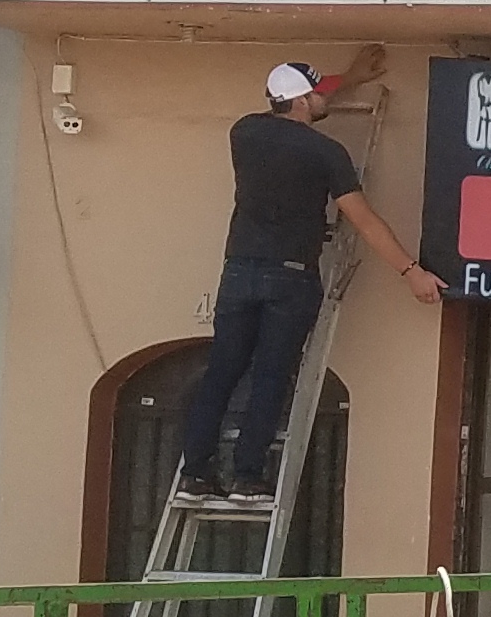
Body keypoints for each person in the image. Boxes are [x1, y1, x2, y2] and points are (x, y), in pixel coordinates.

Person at [176, 55, 444, 502]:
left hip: (239, 271)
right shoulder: (325, 153)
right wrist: (410, 271)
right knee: (271, 375)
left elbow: (304, 101)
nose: (325, 97)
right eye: (317, 93)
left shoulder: (245, 132)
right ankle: (246, 477)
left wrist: (351, 78)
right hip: (291, 277)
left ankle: (195, 475)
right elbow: (365, 220)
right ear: (302, 100)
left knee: (221, 372)